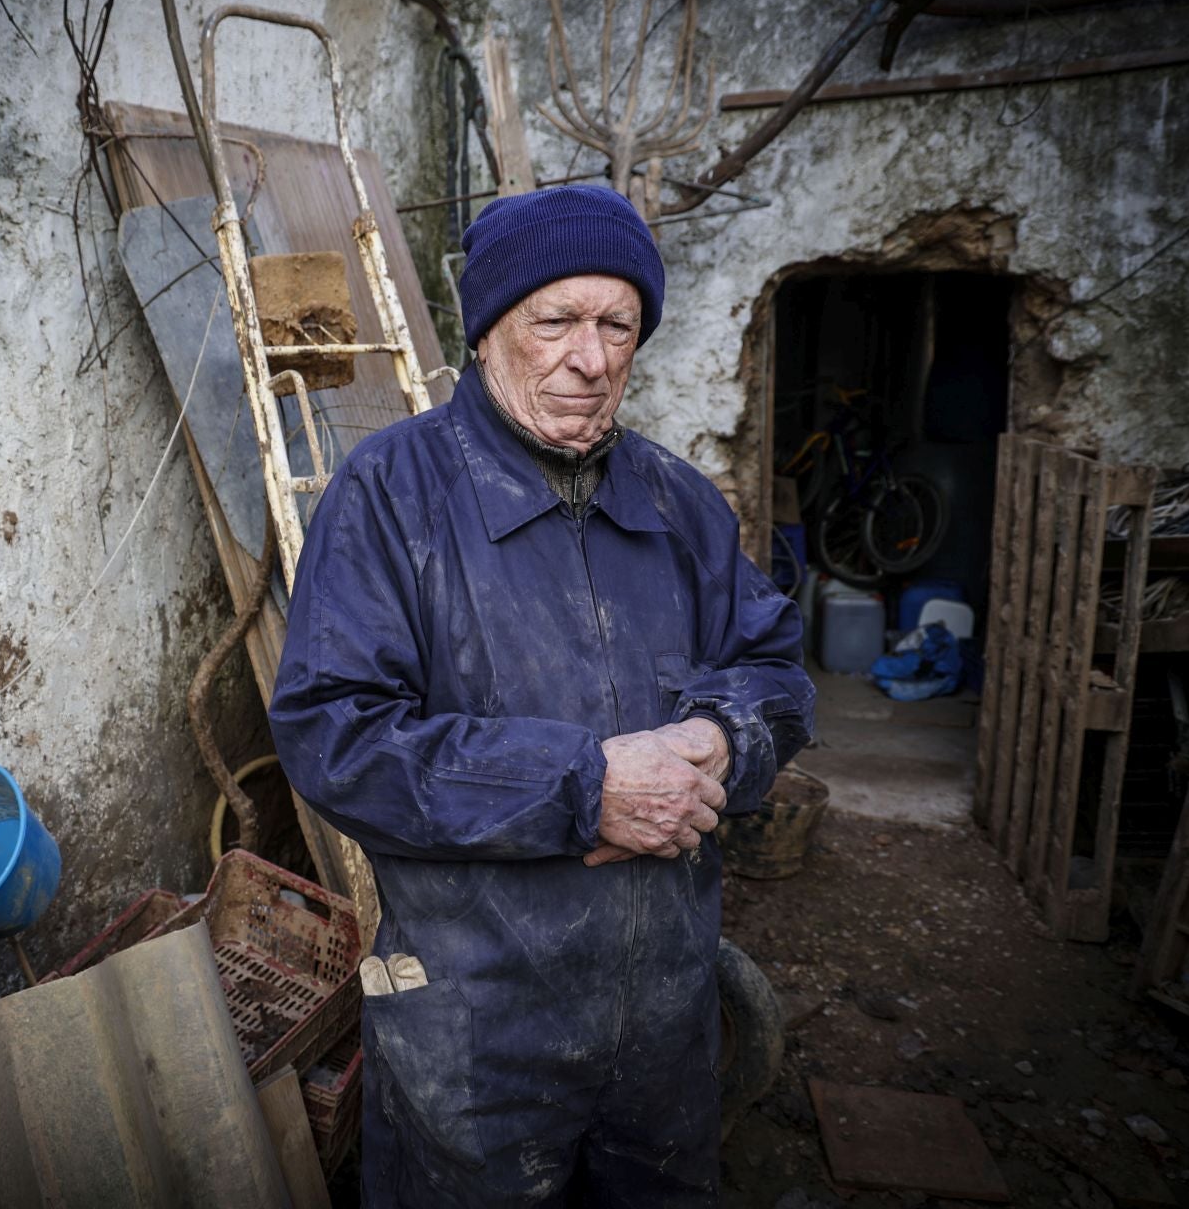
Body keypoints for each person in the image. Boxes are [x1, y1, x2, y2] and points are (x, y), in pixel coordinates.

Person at [269, 185, 814, 1206]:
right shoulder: (391, 494)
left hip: (665, 1019)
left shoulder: (679, 502)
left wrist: (725, 740)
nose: (593, 356)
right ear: (487, 335)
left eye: (618, 324)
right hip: (477, 1031)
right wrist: (584, 785)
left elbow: (774, 669)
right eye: (555, 320)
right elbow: (334, 733)